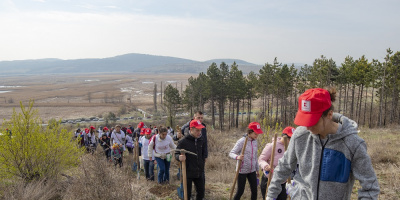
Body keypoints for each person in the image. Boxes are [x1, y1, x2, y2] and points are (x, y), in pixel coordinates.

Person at [266, 88, 380, 200]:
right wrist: (271, 195)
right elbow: (284, 167)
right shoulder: (300, 136)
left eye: (312, 121)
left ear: (329, 114)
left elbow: (370, 187)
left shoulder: (353, 144)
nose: (307, 126)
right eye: (304, 120)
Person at [258, 126, 294, 200]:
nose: (290, 140)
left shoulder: (291, 148)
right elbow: (261, 159)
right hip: (269, 179)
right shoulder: (272, 145)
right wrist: (265, 166)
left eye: (292, 138)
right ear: (284, 136)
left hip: (282, 181)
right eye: (289, 138)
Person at [229, 122, 263, 200]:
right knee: (240, 191)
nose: (257, 136)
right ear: (249, 132)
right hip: (242, 170)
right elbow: (231, 153)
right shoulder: (242, 141)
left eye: (258, 134)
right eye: (255, 133)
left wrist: (257, 170)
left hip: (252, 170)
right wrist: (238, 157)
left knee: (254, 191)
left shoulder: (255, 141)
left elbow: (255, 156)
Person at [175, 120, 207, 200]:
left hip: (199, 171)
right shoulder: (183, 141)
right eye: (197, 130)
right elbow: (176, 153)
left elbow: (203, 152)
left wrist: (203, 160)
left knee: (201, 192)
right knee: (187, 194)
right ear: (191, 129)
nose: (199, 132)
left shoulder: (201, 139)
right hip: (188, 172)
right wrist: (179, 157)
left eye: (200, 130)